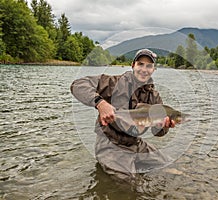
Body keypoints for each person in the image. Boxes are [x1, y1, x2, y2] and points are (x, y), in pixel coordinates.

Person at [71, 49, 176, 183]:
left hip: (135, 143)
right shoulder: (113, 83)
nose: (144, 69)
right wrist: (100, 103)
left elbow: (158, 133)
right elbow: (78, 85)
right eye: (140, 64)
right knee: (128, 184)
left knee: (166, 165)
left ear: (154, 69)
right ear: (133, 65)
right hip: (110, 144)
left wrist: (163, 127)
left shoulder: (154, 96)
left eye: (149, 66)